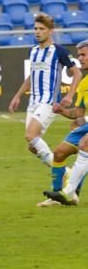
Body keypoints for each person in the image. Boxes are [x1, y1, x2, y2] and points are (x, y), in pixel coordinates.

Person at [8, 13, 81, 171]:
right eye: (35, 29)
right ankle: (65, 175)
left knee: (30, 136)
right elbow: (32, 76)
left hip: (49, 101)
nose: (37, 32)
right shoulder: (33, 51)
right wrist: (17, 96)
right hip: (33, 102)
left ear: (50, 31)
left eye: (41, 29)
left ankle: (63, 175)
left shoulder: (59, 51)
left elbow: (77, 73)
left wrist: (69, 95)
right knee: (32, 146)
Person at [41, 40, 88, 206]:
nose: (79, 59)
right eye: (78, 55)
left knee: (85, 144)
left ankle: (69, 193)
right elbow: (78, 113)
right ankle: (58, 196)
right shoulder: (83, 84)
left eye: (83, 55)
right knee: (60, 152)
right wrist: (62, 111)